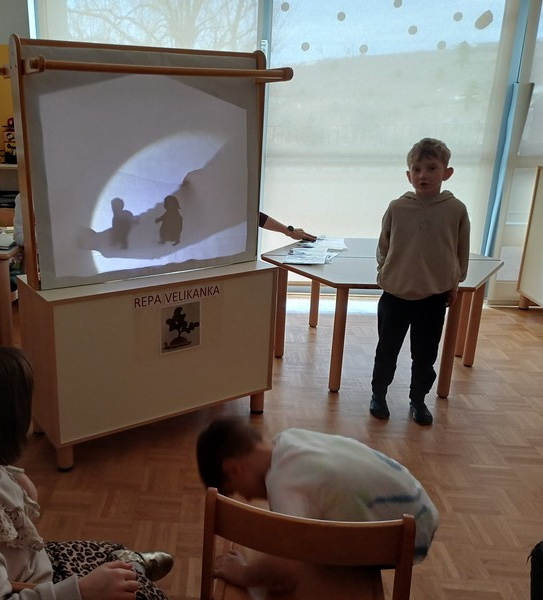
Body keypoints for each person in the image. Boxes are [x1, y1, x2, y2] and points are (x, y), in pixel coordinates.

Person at [0, 346, 173, 600]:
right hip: (36, 588)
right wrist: (82, 591)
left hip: (35, 566)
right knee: (141, 592)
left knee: (111, 550)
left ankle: (130, 565)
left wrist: (9, 478)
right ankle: (135, 570)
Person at [196, 417, 439, 594]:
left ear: (234, 469)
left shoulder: (284, 483)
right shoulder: (289, 439)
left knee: (282, 562)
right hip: (418, 505)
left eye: (238, 491)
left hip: (406, 539)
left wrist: (244, 573)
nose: (248, 499)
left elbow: (285, 565)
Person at [370, 137, 470, 426]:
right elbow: (384, 246)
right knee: (386, 351)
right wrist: (385, 274)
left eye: (431, 168)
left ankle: (418, 399)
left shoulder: (456, 209)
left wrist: (454, 283)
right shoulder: (398, 207)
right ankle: (379, 395)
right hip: (395, 295)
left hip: (433, 297)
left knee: (425, 355)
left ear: (446, 173)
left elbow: (459, 251)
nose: (423, 175)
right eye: (417, 169)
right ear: (408, 175)